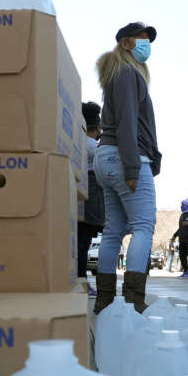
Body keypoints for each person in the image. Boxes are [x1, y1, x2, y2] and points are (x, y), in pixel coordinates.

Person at [92, 22, 161, 313]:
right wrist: (133, 168)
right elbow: (128, 123)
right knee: (143, 227)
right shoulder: (127, 73)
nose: (147, 45)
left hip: (105, 157)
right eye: (141, 39)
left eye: (149, 40)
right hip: (124, 157)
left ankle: (105, 300)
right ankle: (134, 302)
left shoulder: (115, 75)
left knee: (113, 230)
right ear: (125, 43)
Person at [76, 101, 106, 296]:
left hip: (73, 195)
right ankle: (82, 281)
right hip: (90, 199)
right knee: (83, 242)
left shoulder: (74, 142)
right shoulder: (94, 146)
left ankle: (79, 279)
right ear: (95, 128)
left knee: (77, 241)